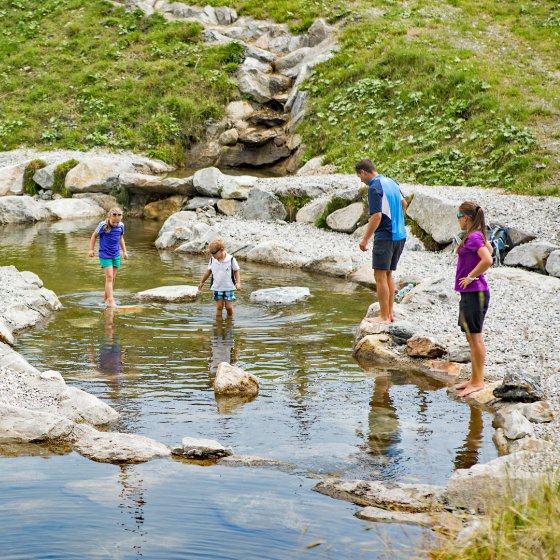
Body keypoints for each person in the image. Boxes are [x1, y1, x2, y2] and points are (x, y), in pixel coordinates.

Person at [356, 159, 407, 323]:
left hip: (385, 236)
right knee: (388, 274)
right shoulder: (391, 182)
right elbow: (404, 203)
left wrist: (365, 239)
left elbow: (376, 216)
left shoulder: (374, 188)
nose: (360, 180)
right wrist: (398, 220)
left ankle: (384, 317)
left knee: (379, 276)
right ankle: (389, 313)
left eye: (360, 176)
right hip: (400, 234)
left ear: (363, 172)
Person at [454, 201, 493, 398]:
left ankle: (478, 382)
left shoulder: (474, 237)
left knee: (475, 337)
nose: (457, 220)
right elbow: (491, 250)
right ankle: (474, 378)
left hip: (475, 293)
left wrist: (471, 276)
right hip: (470, 294)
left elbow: (488, 259)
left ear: (466, 218)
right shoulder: (476, 235)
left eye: (458, 216)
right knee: (470, 336)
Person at [89, 207, 128, 308]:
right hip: (105, 255)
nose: (115, 224)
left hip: (116, 254)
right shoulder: (103, 225)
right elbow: (94, 236)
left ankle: (106, 298)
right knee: (109, 277)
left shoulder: (121, 225)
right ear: (109, 217)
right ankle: (111, 300)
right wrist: (91, 249)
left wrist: (124, 251)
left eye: (117, 222)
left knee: (112, 278)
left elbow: (121, 238)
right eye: (114, 222)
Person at [197, 239, 240, 318]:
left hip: (229, 287)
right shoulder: (212, 260)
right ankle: (218, 325)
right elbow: (208, 272)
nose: (212, 255)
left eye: (213, 253)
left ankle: (229, 322)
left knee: (229, 307)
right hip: (217, 287)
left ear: (221, 250)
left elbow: (236, 270)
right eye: (211, 253)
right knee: (219, 307)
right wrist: (202, 282)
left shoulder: (231, 259)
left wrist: (237, 283)